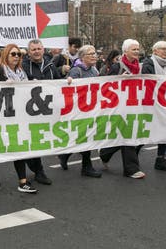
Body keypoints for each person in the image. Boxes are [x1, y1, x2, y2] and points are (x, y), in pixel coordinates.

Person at [0, 43, 38, 193]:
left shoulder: (22, 72)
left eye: (19, 54)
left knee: (17, 144)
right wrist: (1, 85)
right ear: (6, 55)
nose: (16, 57)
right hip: (1, 115)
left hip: (19, 115)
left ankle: (22, 181)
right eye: (13, 54)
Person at [98, 39, 145, 179]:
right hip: (119, 108)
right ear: (125, 51)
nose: (137, 52)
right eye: (133, 49)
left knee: (129, 135)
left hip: (136, 105)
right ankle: (131, 169)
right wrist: (119, 79)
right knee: (128, 134)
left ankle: (105, 153)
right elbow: (105, 85)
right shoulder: (117, 66)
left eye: (137, 49)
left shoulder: (141, 67)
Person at [60, 45, 102, 177]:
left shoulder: (94, 70)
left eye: (95, 53)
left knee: (84, 137)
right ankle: (86, 167)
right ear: (82, 57)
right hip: (78, 110)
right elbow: (70, 91)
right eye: (90, 54)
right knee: (84, 137)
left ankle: (65, 155)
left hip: (90, 109)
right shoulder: (76, 71)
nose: (94, 55)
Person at [20, 38, 57, 185]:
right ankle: (39, 171)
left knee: (41, 141)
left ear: (43, 49)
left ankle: (36, 166)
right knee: (33, 140)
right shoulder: (23, 66)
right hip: (29, 112)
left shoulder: (50, 65)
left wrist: (67, 79)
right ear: (29, 52)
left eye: (38, 49)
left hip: (46, 111)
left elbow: (59, 82)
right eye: (33, 49)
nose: (36, 52)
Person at [141, 41, 166, 172]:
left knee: (164, 131)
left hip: (164, 103)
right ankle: (111, 152)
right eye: (163, 49)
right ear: (155, 51)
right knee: (144, 133)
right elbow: (147, 82)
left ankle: (160, 159)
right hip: (151, 104)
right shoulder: (148, 64)